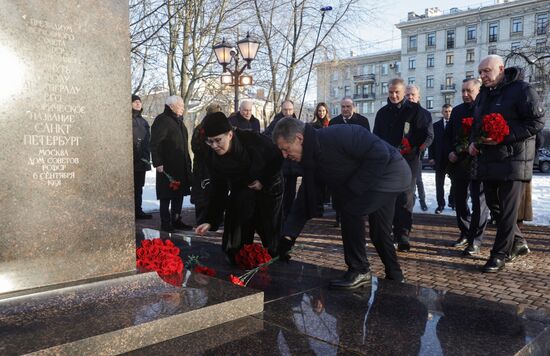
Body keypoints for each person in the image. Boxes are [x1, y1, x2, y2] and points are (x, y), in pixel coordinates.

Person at [273, 118, 411, 289]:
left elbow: (380, 154)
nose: (285, 156)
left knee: (350, 209)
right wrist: (288, 237)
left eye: (286, 149)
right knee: (379, 232)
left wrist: (352, 190)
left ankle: (359, 269)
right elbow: (304, 199)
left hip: (391, 172)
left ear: (299, 138)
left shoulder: (340, 134)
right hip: (379, 177)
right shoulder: (310, 159)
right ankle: (396, 276)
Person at [469, 55, 545, 272]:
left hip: (514, 160)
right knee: (495, 206)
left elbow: (537, 121)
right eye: (480, 72)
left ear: (501, 69)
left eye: (487, 71)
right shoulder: (484, 93)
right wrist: (474, 141)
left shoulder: (522, 90)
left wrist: (506, 135)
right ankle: (518, 242)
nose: (483, 76)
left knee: (508, 211)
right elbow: (477, 121)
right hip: (490, 158)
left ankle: (499, 254)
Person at [195, 112, 284, 262]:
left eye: (218, 140)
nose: (214, 146)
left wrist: (263, 180)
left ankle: (277, 257)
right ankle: (238, 256)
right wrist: (210, 219)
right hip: (242, 189)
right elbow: (218, 189)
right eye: (210, 142)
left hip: (268, 187)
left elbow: (277, 157)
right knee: (235, 233)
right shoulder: (212, 156)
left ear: (230, 135)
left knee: (270, 233)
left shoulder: (253, 140)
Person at [374, 78, 430, 252]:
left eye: (397, 92)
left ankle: (403, 233)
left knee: (406, 196)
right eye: (390, 92)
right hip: (388, 160)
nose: (393, 95)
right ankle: (389, 231)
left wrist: (412, 146)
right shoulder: (382, 112)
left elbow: (423, 134)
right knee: (389, 196)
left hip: (409, 160)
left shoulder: (415, 111)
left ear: (403, 91)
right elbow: (376, 136)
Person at [446, 78, 489, 254]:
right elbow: (448, 136)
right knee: (459, 200)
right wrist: (451, 152)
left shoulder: (485, 109)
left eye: (468, 91)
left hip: (479, 163)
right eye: (462, 91)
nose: (465, 94)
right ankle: (464, 232)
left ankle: (475, 240)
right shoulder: (457, 112)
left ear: (478, 91)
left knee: (479, 203)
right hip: (459, 164)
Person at [150, 95, 193, 232]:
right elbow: (155, 143)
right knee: (166, 195)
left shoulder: (178, 121)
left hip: (180, 165)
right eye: (180, 106)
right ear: (172, 106)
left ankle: (176, 219)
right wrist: (158, 162)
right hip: (167, 165)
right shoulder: (162, 120)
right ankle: (165, 222)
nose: (183, 108)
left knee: (178, 194)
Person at [263, 100, 302, 219]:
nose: (288, 112)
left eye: (290, 110)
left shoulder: (298, 123)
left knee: (291, 193)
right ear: (282, 110)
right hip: (281, 164)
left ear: (293, 110)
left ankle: (289, 215)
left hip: (294, 165)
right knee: (280, 192)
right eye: (285, 110)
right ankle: (278, 215)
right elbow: (266, 137)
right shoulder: (276, 122)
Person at [190, 103, 223, 225]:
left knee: (216, 191)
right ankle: (201, 219)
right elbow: (195, 146)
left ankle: (215, 218)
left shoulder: (220, 127)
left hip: (216, 165)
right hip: (202, 166)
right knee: (202, 193)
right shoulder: (201, 128)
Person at [405, 84, 434, 212]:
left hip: (415, 155)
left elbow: (430, 136)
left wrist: (420, 148)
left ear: (418, 97)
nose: (410, 97)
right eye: (407, 95)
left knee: (418, 181)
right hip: (399, 155)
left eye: (413, 95)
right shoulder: (399, 113)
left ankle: (421, 202)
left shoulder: (425, 114)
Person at [429, 104, 453, 214]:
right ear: (442, 113)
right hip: (439, 159)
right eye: (446, 111)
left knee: (456, 183)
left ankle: (452, 202)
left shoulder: (455, 125)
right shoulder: (435, 126)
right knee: (439, 184)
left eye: (449, 111)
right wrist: (431, 157)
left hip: (453, 159)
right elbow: (431, 143)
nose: (448, 113)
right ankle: (440, 205)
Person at [131, 94, 152, 219]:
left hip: (142, 159)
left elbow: (147, 141)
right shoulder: (126, 119)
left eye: (139, 101)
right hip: (131, 159)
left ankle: (138, 210)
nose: (138, 104)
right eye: (135, 102)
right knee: (130, 187)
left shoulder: (144, 121)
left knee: (139, 187)